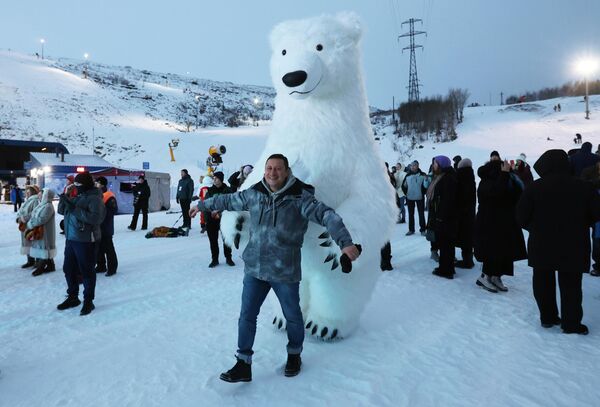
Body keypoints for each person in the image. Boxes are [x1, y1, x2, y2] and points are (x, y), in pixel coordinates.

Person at [189, 153, 360, 382]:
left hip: (284, 271)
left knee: (292, 316)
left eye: (278, 168)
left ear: (287, 171)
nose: (272, 173)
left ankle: (294, 355)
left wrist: (346, 243)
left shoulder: (300, 198)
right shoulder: (255, 194)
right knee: (247, 316)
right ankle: (243, 363)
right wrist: (202, 205)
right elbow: (228, 200)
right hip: (255, 269)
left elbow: (327, 215)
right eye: (269, 168)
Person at [517, 149, 600, 335]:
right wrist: (580, 223)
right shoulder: (584, 187)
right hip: (574, 243)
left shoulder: (534, 187)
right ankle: (571, 324)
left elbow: (521, 216)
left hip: (541, 243)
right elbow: (596, 213)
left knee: (542, 281)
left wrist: (536, 228)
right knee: (571, 284)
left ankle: (548, 318)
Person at [474, 156, 527, 293]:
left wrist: (511, 176)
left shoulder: (507, 179)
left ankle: (496, 276)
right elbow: (495, 194)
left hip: (505, 221)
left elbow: (518, 194)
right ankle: (485, 276)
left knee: (504, 251)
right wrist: (504, 175)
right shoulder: (486, 182)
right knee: (492, 250)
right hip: (489, 222)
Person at [57, 172, 106, 316]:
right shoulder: (78, 196)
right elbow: (62, 211)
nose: (76, 187)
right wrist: (64, 197)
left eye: (79, 185)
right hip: (71, 239)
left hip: (86, 240)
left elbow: (96, 219)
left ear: (85, 185)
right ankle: (73, 297)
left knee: (87, 271)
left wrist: (74, 209)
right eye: (75, 185)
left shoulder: (95, 199)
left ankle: (88, 301)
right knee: (69, 269)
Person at [426, 156, 458, 279]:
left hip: (445, 218)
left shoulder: (447, 178)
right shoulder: (443, 176)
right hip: (443, 217)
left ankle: (446, 270)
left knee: (446, 244)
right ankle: (447, 267)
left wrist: (440, 217)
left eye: (435, 164)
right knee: (446, 244)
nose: (433, 166)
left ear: (441, 165)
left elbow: (447, 201)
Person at [203, 171, 235, 268]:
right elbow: (205, 205)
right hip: (212, 219)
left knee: (227, 240)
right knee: (213, 240)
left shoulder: (228, 190)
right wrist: (207, 218)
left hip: (225, 219)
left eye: (216, 178)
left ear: (221, 179)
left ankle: (228, 258)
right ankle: (215, 259)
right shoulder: (209, 191)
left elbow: (232, 204)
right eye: (214, 178)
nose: (214, 180)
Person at [27, 188, 57, 276]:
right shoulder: (42, 205)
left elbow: (41, 219)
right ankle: (51, 265)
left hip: (45, 232)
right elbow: (34, 215)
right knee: (43, 247)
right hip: (40, 231)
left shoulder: (48, 206)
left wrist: (31, 223)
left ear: (45, 195)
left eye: (41, 194)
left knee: (44, 247)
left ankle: (41, 266)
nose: (39, 195)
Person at [454, 158, 476, 269]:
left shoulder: (460, 177)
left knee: (463, 237)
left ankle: (467, 261)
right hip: (470, 213)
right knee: (468, 237)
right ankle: (469, 259)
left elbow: (458, 196)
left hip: (462, 213)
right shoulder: (471, 177)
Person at [95, 177, 118, 277]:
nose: (95, 184)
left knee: (109, 248)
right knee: (99, 248)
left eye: (97, 183)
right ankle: (101, 266)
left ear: (102, 184)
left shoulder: (109, 196)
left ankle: (112, 268)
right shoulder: (97, 194)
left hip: (106, 226)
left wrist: (100, 214)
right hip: (97, 226)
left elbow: (113, 211)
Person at [16, 185, 41, 269]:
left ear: (33, 192)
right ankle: (30, 260)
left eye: (28, 191)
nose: (26, 193)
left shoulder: (35, 200)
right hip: (24, 226)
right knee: (27, 243)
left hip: (30, 225)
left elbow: (34, 213)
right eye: (26, 191)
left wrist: (22, 218)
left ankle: (36, 261)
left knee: (33, 243)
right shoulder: (28, 201)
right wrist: (18, 218)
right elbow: (20, 211)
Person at [581, 162, 600, 275]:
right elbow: (583, 184)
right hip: (596, 210)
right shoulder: (589, 170)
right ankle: (598, 265)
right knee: (597, 239)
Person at [402, 160, 427, 236]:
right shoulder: (407, 175)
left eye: (414, 165)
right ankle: (411, 229)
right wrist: (406, 194)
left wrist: (423, 193)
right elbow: (404, 186)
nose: (412, 167)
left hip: (420, 197)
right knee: (411, 214)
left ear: (418, 166)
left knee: (421, 214)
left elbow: (426, 186)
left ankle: (423, 230)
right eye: (411, 166)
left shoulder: (423, 175)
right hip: (410, 198)